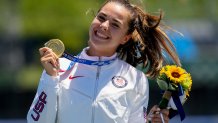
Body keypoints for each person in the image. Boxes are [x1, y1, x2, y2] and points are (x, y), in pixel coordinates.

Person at [27, 0, 182, 122]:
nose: (104, 26)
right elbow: (36, 121)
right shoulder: (57, 68)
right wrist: (50, 79)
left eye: (115, 24)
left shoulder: (135, 78)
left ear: (125, 38)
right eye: (101, 18)